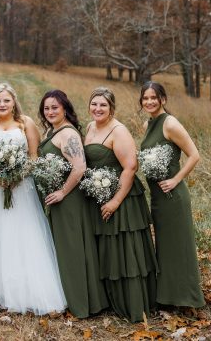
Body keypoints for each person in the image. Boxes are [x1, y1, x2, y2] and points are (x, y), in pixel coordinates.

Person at [0, 83, 66, 317]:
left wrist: (17, 176)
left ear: (13, 101)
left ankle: (25, 292)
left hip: (20, 188)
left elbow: (33, 155)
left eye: (6, 100)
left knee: (23, 235)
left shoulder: (25, 122)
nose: (2, 105)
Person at [84, 87, 157, 322]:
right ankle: (111, 299)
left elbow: (130, 167)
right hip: (99, 194)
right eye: (94, 104)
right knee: (107, 249)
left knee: (125, 249)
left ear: (112, 107)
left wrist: (115, 200)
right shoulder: (90, 127)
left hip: (122, 197)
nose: (98, 108)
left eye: (103, 105)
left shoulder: (119, 130)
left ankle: (133, 303)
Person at [38, 90, 108, 318]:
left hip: (69, 200)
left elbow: (79, 168)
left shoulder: (68, 134)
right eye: (46, 108)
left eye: (55, 107)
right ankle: (70, 296)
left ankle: (81, 302)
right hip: (59, 199)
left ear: (65, 108)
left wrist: (61, 192)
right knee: (65, 248)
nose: (50, 112)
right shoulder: (53, 130)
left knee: (72, 249)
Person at [139, 81, 205, 308]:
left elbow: (194, 155)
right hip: (158, 198)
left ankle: (188, 298)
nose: (149, 102)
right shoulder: (149, 123)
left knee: (180, 247)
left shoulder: (170, 123)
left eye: (153, 98)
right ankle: (168, 297)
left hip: (173, 197)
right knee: (166, 248)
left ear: (163, 99)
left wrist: (176, 179)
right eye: (145, 98)